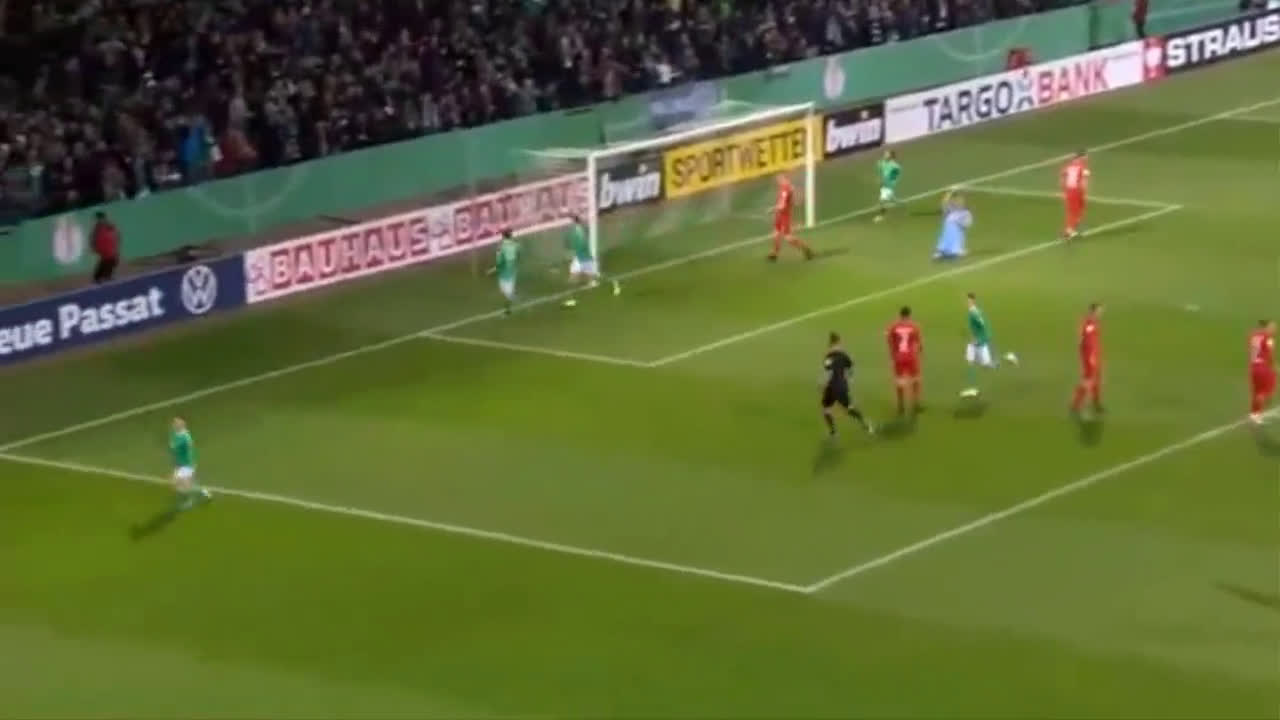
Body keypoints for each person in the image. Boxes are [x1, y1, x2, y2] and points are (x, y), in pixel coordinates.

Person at [821, 332, 874, 437]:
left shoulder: (828, 356)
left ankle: (833, 432)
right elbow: (851, 368)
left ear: (830, 343)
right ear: (838, 341)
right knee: (848, 408)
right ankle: (866, 424)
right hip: (840, 385)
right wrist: (849, 379)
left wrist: (823, 384)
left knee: (826, 409)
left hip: (830, 386)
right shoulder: (844, 355)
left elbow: (827, 371)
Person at [961, 292, 1013, 398]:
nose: (967, 302)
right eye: (967, 300)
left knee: (986, 365)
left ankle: (1006, 358)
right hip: (975, 342)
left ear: (973, 301)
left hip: (979, 342)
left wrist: (980, 338)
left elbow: (982, 324)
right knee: (970, 360)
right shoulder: (974, 311)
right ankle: (972, 389)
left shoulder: (974, 313)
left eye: (969, 300)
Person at [562, 215, 620, 308]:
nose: (569, 225)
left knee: (597, 276)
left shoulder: (581, 233)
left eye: (571, 223)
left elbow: (580, 245)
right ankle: (571, 299)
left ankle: (614, 282)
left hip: (586, 260)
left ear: (575, 223)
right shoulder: (575, 232)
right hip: (579, 260)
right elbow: (570, 244)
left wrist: (572, 248)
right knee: (572, 279)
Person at [767, 174, 813, 262]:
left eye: (780, 179)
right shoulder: (786, 188)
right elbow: (791, 201)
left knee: (788, 238)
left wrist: (772, 209)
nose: (778, 181)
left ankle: (806, 249)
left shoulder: (785, 190)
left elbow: (782, 206)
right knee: (776, 233)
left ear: (784, 179)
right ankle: (774, 254)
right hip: (779, 215)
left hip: (784, 216)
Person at [887, 306, 924, 415]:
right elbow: (919, 343)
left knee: (899, 381)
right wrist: (920, 352)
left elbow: (890, 341)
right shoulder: (914, 326)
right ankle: (916, 404)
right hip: (911, 357)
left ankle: (901, 405)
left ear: (900, 315)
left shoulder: (894, 326)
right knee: (916, 379)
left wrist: (893, 354)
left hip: (899, 357)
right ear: (909, 315)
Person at [170, 417, 211, 510]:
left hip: (186, 464)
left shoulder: (185, 437)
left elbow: (187, 448)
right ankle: (203, 492)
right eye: (174, 423)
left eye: (176, 423)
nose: (174, 425)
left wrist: (191, 464)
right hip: (179, 464)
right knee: (180, 484)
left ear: (181, 425)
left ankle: (190, 500)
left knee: (183, 485)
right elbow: (174, 448)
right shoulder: (175, 434)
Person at [1071, 303, 1104, 416]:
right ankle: (1076, 405)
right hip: (1090, 356)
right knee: (1088, 379)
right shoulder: (1088, 323)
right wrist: (1090, 357)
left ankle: (1096, 403)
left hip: (1095, 354)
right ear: (1092, 311)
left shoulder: (1094, 322)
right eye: (1099, 311)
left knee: (1097, 380)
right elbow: (1085, 341)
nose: (1100, 313)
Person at [1249, 319, 1276, 424]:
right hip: (1263, 367)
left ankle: (1253, 414)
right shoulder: (1268, 338)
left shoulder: (1254, 336)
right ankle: (1257, 415)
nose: (1274, 329)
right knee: (1264, 392)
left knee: (1257, 392)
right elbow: (1270, 354)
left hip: (1254, 367)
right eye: (1272, 326)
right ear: (1266, 327)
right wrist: (1274, 366)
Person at [934, 190, 972, 260]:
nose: (958, 203)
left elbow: (966, 225)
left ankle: (953, 251)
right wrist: (949, 193)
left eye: (960, 201)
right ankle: (941, 253)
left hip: (957, 231)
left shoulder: (966, 213)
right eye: (957, 201)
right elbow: (944, 203)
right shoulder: (951, 210)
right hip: (948, 231)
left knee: (954, 240)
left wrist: (958, 224)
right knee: (945, 240)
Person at [1061, 150, 1090, 240]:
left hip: (1069, 190)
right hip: (1077, 191)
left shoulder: (1068, 167)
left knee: (1078, 210)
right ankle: (1068, 231)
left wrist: (1064, 191)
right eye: (1086, 156)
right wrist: (1084, 192)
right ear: (1082, 157)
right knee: (1075, 212)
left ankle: (1073, 229)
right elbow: (1084, 181)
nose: (1087, 158)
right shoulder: (1082, 167)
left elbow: (1062, 177)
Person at [494, 229, 520, 315]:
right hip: (510, 272)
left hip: (506, 273)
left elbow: (499, 261)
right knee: (505, 292)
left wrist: (495, 269)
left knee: (507, 293)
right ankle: (513, 295)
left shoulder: (501, 247)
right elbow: (517, 256)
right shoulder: (515, 245)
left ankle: (507, 310)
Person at [91, 211, 120, 284]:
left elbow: (115, 233)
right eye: (98, 219)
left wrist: (115, 243)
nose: (100, 220)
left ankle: (106, 276)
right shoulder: (97, 228)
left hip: (109, 246)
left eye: (101, 218)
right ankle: (98, 277)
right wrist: (94, 247)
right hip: (103, 247)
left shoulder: (109, 225)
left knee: (112, 260)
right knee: (106, 260)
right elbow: (94, 238)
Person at [874, 150, 902, 223]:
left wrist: (893, 180)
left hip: (889, 185)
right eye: (885, 154)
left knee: (882, 200)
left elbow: (898, 172)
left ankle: (881, 216)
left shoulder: (894, 166)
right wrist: (880, 179)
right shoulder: (882, 163)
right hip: (884, 184)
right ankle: (899, 202)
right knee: (889, 197)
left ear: (891, 156)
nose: (885, 155)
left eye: (887, 154)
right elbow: (880, 168)